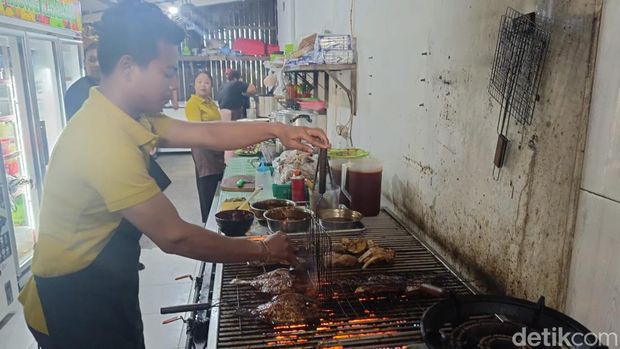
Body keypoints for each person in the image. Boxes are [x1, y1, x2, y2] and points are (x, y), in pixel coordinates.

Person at [18, 3, 329, 348]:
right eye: (167, 72)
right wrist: (262, 251)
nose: (171, 86)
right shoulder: (102, 139)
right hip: (73, 299)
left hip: (107, 279)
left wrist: (277, 129)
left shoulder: (131, 114)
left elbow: (207, 134)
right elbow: (174, 236)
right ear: (127, 67)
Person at [185, 70, 224, 222]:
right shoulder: (192, 104)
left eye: (207, 82)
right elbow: (197, 129)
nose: (203, 85)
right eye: (200, 82)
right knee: (207, 186)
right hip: (203, 150)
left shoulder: (211, 103)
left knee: (217, 184)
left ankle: (218, 217)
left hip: (216, 148)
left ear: (211, 86)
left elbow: (218, 124)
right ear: (194, 85)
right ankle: (208, 222)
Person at [63, 42, 100, 120]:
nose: (97, 64)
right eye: (92, 60)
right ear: (84, 64)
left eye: (101, 59)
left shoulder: (116, 87)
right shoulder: (76, 92)